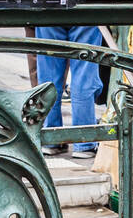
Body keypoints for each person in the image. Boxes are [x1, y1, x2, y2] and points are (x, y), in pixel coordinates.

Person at [35, 25, 104, 158]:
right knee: (84, 75)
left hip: (48, 10)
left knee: (49, 74)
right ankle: (84, 142)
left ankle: (51, 138)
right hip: (85, 11)